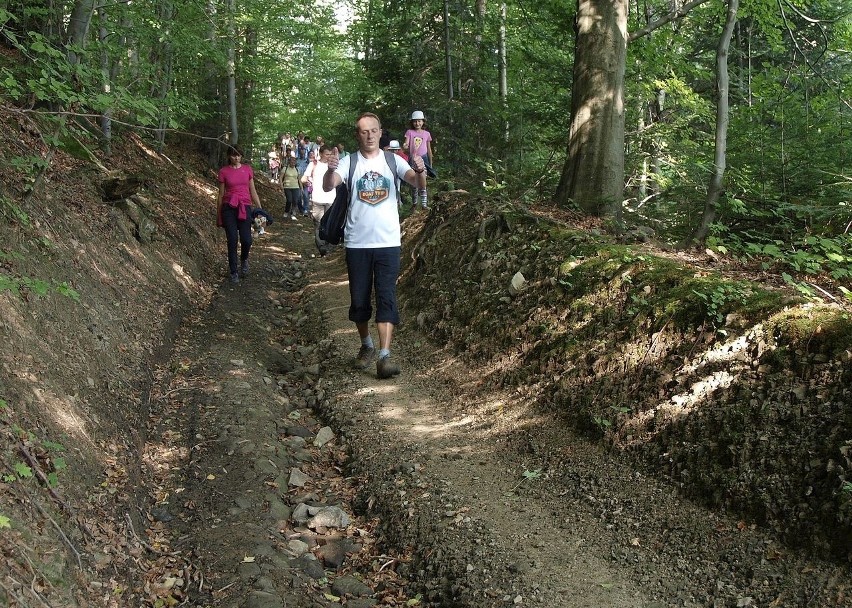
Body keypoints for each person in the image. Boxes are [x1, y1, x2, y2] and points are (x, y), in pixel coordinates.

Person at [322, 112, 426, 379]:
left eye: (373, 130)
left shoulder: (393, 160)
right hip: (356, 243)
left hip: (389, 242)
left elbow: (416, 182)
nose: (369, 135)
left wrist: (420, 170)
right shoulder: (349, 162)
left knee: (386, 296)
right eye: (363, 131)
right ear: (357, 135)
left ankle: (384, 355)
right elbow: (330, 184)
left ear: (381, 133)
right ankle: (366, 344)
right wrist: (331, 169)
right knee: (359, 299)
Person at [217, 145, 262, 283]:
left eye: (238, 155)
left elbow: (252, 190)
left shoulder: (247, 169)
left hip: (245, 206)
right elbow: (221, 194)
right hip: (229, 207)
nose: (236, 158)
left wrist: (260, 209)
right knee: (232, 240)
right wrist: (218, 214)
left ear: (241, 156)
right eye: (233, 155)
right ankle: (233, 271)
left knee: (246, 239)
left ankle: (244, 260)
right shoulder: (224, 171)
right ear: (229, 156)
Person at [403, 110, 435, 208]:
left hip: (423, 159)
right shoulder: (410, 132)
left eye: (419, 121)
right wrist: (405, 145)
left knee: (423, 181)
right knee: (414, 183)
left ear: (423, 121)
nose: (417, 123)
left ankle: (424, 205)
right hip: (413, 159)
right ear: (412, 122)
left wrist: (430, 163)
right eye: (415, 121)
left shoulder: (426, 134)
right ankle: (415, 203)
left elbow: (429, 149)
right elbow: (406, 143)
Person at [302, 144, 336, 228]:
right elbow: (303, 179)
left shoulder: (334, 166)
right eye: (327, 154)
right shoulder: (313, 164)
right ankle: (320, 241)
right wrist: (307, 182)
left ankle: (328, 241)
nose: (329, 157)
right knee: (318, 224)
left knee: (329, 224)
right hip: (317, 199)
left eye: (330, 154)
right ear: (320, 154)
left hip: (331, 199)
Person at [280, 154, 301, 220]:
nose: (293, 163)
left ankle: (293, 213)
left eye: (294, 162)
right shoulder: (285, 168)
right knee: (289, 200)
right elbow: (280, 178)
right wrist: (281, 185)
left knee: (295, 200)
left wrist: (301, 187)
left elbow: (299, 179)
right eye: (292, 162)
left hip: (296, 187)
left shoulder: (297, 169)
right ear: (289, 162)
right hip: (287, 187)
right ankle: (286, 211)